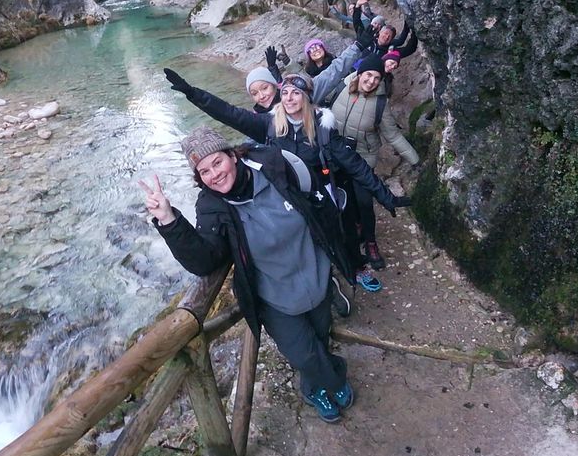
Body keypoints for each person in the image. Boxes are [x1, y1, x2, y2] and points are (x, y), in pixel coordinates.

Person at [142, 126, 355, 422]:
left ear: (233, 155)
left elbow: (314, 200)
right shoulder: (211, 206)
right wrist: (168, 219)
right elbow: (205, 260)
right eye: (204, 171)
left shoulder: (272, 166)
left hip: (316, 275)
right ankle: (334, 379)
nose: (214, 174)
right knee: (302, 353)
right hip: (273, 295)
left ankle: (312, 386)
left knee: (320, 336)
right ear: (199, 179)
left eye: (217, 162)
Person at [163, 67, 407, 292]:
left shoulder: (322, 129)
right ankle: (323, 283)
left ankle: (356, 267)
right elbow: (230, 114)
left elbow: (355, 165)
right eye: (286, 92)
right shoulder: (269, 125)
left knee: (342, 232)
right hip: (285, 196)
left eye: (296, 93)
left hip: (318, 194)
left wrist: (385, 196)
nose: (289, 98)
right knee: (302, 242)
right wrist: (193, 94)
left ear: (306, 98)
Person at [329, 55, 420, 269]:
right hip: (338, 156)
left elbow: (393, 136)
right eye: (368, 75)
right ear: (360, 73)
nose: (371, 81)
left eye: (376, 78)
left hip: (363, 159)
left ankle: (371, 242)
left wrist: (415, 161)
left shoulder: (380, 103)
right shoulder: (341, 88)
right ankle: (354, 232)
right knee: (345, 201)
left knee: (364, 202)